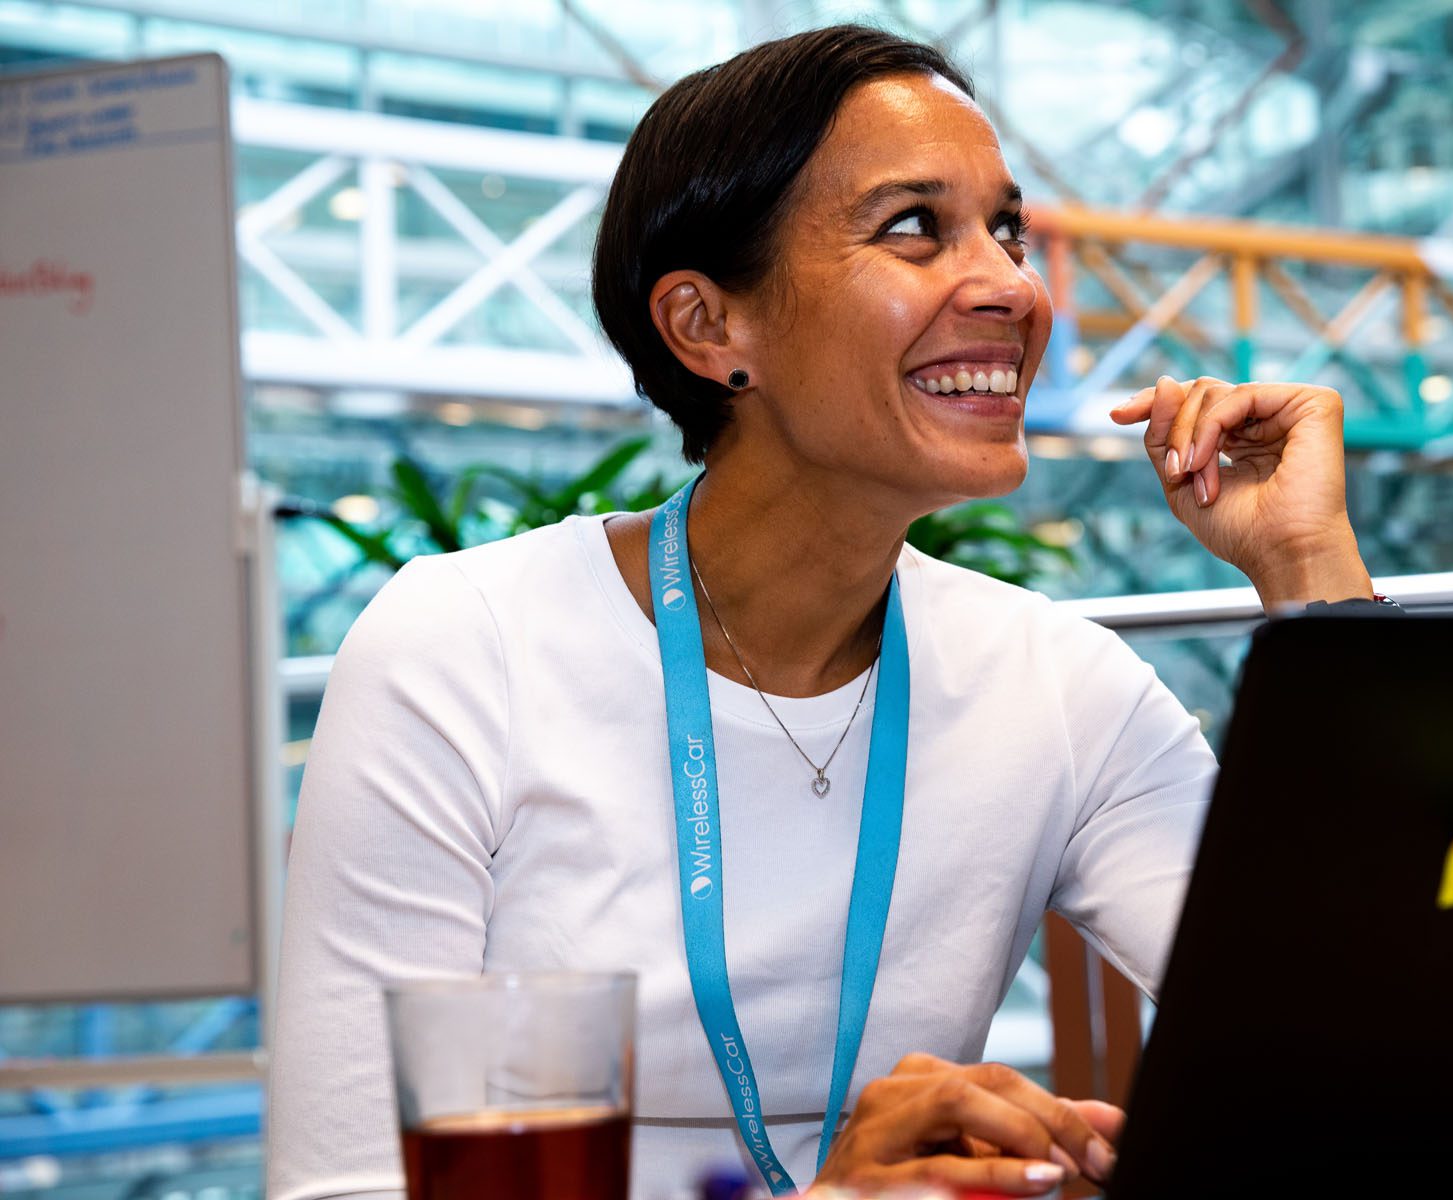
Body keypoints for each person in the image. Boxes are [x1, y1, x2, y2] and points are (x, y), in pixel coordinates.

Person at [265, 23, 1376, 1200]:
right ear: (708, 326)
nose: (1011, 283)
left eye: (1004, 228)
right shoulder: (464, 648)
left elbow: (1371, 1029)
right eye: (912, 228)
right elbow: (339, 1187)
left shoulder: (1058, 686)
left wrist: (1311, 567)